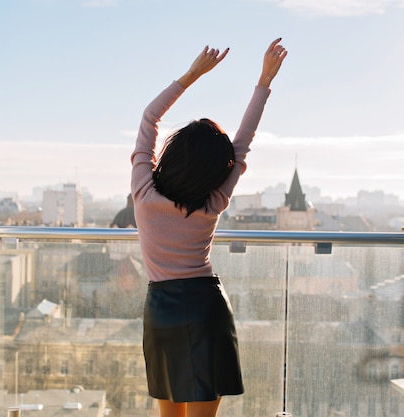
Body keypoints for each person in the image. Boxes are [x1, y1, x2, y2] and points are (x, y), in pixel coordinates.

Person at [130, 38, 287, 417]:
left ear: (173, 153)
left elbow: (150, 118)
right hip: (206, 307)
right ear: (216, 168)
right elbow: (242, 143)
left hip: (162, 311)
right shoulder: (213, 201)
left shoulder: (143, 192)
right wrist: (264, 81)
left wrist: (191, 75)